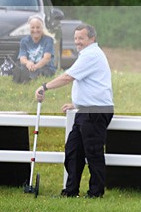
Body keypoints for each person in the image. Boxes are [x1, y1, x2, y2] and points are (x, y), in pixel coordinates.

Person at [35, 24, 113, 198]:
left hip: (95, 112)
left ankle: (95, 193)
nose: (77, 42)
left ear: (91, 38)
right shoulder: (87, 54)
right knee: (73, 151)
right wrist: (77, 103)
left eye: (81, 38)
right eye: (76, 38)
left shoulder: (91, 54)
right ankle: (70, 191)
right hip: (86, 110)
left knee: (93, 153)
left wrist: (44, 86)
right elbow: (90, 83)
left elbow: (68, 77)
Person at [13, 15, 56, 84]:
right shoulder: (24, 41)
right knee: (21, 67)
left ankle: (25, 78)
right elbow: (22, 58)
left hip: (45, 67)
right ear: (29, 28)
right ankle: (23, 77)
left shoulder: (48, 40)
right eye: (32, 27)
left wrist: (35, 67)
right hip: (30, 66)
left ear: (42, 28)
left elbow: (46, 58)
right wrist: (28, 63)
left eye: (38, 27)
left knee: (39, 71)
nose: (35, 30)